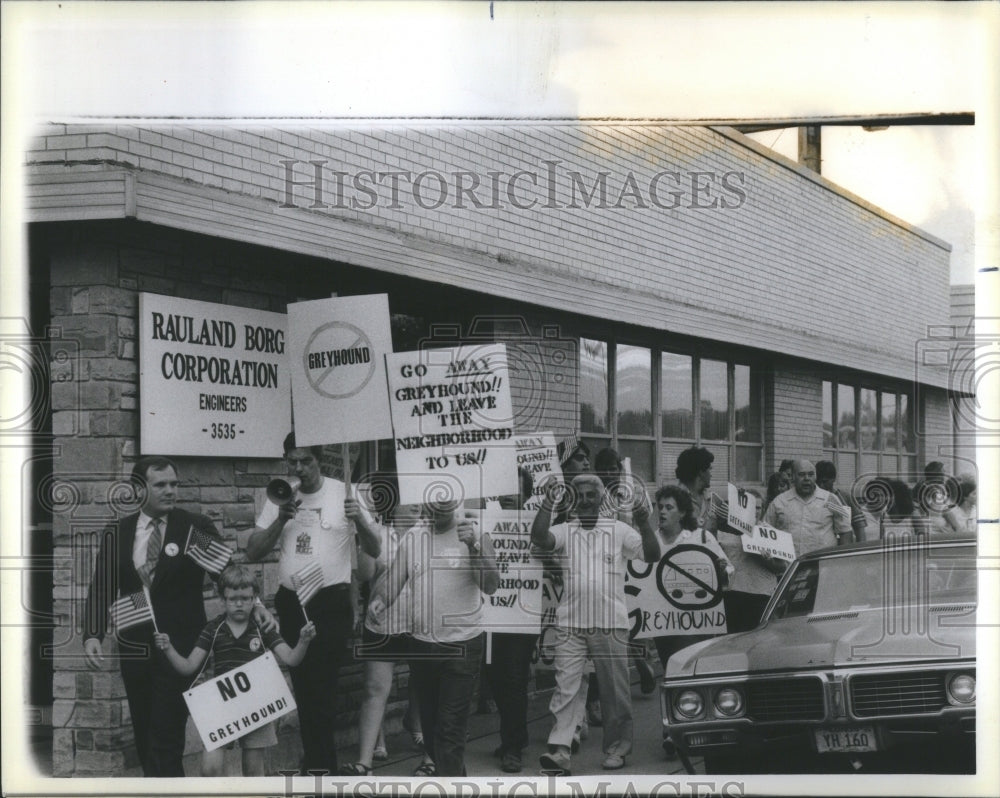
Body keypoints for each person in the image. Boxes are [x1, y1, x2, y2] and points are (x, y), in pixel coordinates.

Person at [83, 456, 269, 777]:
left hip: (182, 649)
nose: (170, 491)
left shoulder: (191, 527)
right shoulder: (119, 532)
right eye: (161, 485)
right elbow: (102, 587)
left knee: (165, 735)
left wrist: (257, 607)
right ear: (139, 489)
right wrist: (92, 634)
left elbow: (226, 575)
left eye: (174, 484)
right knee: (145, 734)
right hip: (136, 647)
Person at [246, 431, 380, 775]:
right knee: (304, 685)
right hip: (292, 602)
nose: (300, 468)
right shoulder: (280, 496)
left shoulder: (344, 492)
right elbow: (253, 550)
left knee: (324, 687)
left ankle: (321, 767)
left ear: (320, 460)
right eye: (293, 461)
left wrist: (360, 520)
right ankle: (319, 765)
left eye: (306, 460)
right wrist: (281, 518)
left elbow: (375, 550)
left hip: (329, 600)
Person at [531, 472, 660, 776]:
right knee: (566, 686)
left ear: (601, 498)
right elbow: (540, 538)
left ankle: (617, 748)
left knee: (614, 690)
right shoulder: (565, 530)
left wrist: (643, 522)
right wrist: (549, 502)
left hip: (609, 622)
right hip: (570, 623)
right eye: (581, 496)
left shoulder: (619, 530)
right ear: (573, 501)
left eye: (592, 495)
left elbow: (651, 555)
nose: (586, 501)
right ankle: (560, 749)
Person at [372, 497, 500, 777]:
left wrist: (474, 547)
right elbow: (395, 579)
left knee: (450, 729)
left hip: (462, 644)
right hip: (422, 645)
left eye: (446, 503)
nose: (439, 509)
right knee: (431, 731)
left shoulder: (475, 533)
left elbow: (491, 585)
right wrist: (380, 601)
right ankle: (456, 781)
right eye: (433, 503)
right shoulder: (413, 537)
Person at [153, 565, 316, 776]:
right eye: (232, 599)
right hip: (222, 704)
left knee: (253, 771)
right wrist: (168, 649)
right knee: (210, 769)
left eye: (246, 598)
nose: (239, 604)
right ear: (222, 599)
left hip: (256, 703)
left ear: (254, 598)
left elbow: (292, 659)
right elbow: (188, 667)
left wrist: (303, 642)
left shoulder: (262, 628)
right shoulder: (214, 628)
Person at [340, 501, 433, 777]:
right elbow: (365, 575)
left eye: (420, 502)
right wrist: (364, 537)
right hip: (383, 623)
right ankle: (364, 762)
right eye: (410, 501)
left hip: (420, 624)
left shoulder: (430, 535)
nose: (417, 507)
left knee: (428, 687)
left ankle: (430, 756)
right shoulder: (377, 534)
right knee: (375, 690)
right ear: (394, 507)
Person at [486, 467, 539, 774]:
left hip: (521, 615)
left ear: (527, 495)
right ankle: (515, 735)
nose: (507, 496)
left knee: (515, 678)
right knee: (494, 678)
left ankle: (513, 746)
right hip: (491, 614)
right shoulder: (487, 521)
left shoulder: (536, 527)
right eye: (502, 489)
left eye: (514, 490)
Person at [717, 487, 782, 633]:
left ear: (763, 509)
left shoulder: (770, 533)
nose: (755, 511)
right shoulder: (723, 531)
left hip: (760, 596)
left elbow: (782, 567)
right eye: (751, 507)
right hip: (732, 596)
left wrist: (766, 559)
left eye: (758, 507)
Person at [762, 459, 852, 556]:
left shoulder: (831, 499)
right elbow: (764, 530)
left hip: (822, 566)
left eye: (811, 474)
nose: (806, 478)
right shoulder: (779, 501)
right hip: (790, 567)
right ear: (792, 477)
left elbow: (845, 531)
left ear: (816, 476)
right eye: (801, 474)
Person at [815, 460, 867, 542]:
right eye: (818, 482)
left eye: (825, 482)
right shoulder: (813, 499)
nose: (821, 485)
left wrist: (861, 548)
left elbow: (859, 525)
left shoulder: (844, 497)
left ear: (833, 479)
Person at [675, 446, 719, 533]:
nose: (711, 475)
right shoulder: (671, 498)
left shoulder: (712, 499)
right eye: (709, 469)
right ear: (701, 472)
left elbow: (738, 528)